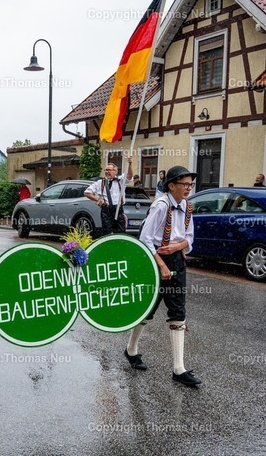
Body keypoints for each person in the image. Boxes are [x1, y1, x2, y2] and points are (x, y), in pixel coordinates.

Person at [124, 165, 202, 387]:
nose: (188, 188)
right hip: (155, 258)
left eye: (190, 184)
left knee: (178, 311)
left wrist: (178, 246)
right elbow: (145, 239)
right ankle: (131, 349)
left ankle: (179, 369)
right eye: (184, 184)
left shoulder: (187, 206)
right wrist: (160, 265)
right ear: (171, 185)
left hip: (176, 258)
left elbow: (189, 238)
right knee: (148, 309)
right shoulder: (160, 205)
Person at [84, 156, 133, 235]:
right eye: (106, 170)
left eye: (109, 170)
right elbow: (87, 192)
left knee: (121, 233)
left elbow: (129, 176)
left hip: (118, 209)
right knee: (107, 233)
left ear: (115, 171)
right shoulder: (100, 183)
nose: (107, 172)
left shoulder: (121, 180)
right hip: (106, 210)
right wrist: (98, 199)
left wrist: (130, 164)